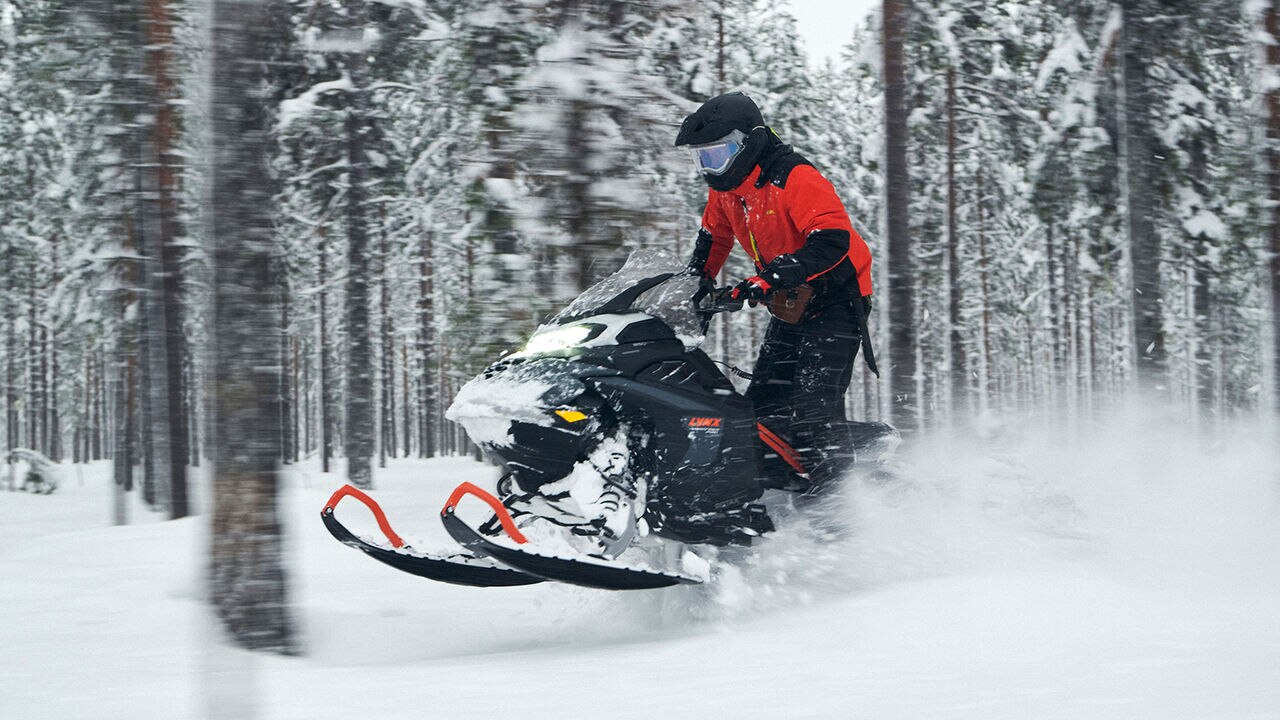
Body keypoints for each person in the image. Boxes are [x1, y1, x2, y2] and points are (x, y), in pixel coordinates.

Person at [676, 91, 877, 493]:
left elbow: (832, 239)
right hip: (790, 301)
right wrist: (692, 285)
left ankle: (839, 505)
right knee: (763, 404)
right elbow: (713, 238)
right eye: (701, 158)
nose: (709, 168)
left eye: (715, 156)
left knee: (812, 407)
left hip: (837, 297)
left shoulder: (795, 176)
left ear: (746, 143)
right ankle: (771, 490)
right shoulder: (727, 190)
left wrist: (769, 278)